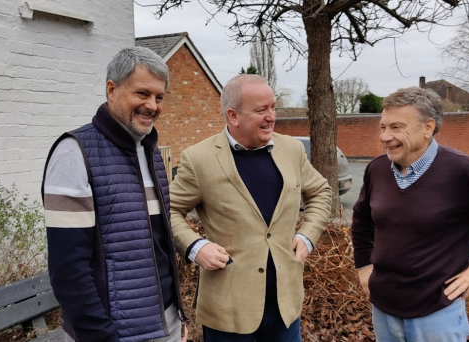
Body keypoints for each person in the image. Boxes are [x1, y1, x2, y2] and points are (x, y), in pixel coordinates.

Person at [351, 87, 469, 342]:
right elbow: (362, 220)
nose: (385, 136)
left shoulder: (463, 170)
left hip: (437, 314)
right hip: (384, 309)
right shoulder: (377, 169)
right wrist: (363, 265)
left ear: (427, 127)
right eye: (383, 127)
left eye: (396, 127)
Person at [169, 74, 332, 341]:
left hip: (285, 306)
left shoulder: (292, 150)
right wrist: (195, 247)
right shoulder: (198, 159)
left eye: (272, 107)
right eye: (261, 110)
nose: (271, 116)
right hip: (228, 310)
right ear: (233, 115)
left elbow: (321, 192)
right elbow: (170, 210)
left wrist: (307, 236)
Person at [42, 47, 187, 342]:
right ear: (112, 89)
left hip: (165, 326)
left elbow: (160, 246)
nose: (153, 105)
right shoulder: (74, 152)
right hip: (113, 335)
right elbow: (68, 270)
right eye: (142, 93)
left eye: (159, 97)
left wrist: (176, 317)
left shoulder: (151, 153)